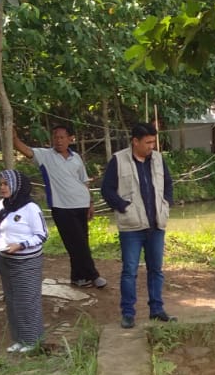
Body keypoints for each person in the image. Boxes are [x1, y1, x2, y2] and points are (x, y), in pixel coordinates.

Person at [100, 122, 175, 328]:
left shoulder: (159, 159)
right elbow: (107, 190)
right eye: (148, 142)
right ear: (135, 141)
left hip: (156, 223)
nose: (152, 146)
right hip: (131, 226)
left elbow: (168, 184)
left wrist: (166, 203)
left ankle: (157, 309)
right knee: (129, 271)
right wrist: (123, 207)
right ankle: (128, 313)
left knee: (156, 269)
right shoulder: (118, 160)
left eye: (153, 141)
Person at [13, 123, 106, 289]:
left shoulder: (76, 157)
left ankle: (77, 278)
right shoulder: (45, 156)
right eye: (55, 137)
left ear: (70, 139)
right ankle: (94, 275)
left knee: (80, 242)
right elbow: (25, 150)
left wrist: (90, 203)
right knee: (78, 243)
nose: (58, 140)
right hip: (62, 207)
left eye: (62, 137)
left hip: (81, 205)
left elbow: (84, 182)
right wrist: (13, 137)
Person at [0, 169, 49, 353]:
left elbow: (42, 235)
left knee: (27, 300)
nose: (2, 187)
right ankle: (19, 339)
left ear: (17, 186)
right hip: (6, 260)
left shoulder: (31, 208)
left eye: (6, 184)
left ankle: (33, 341)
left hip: (27, 261)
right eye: (1, 184)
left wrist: (21, 245)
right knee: (11, 300)